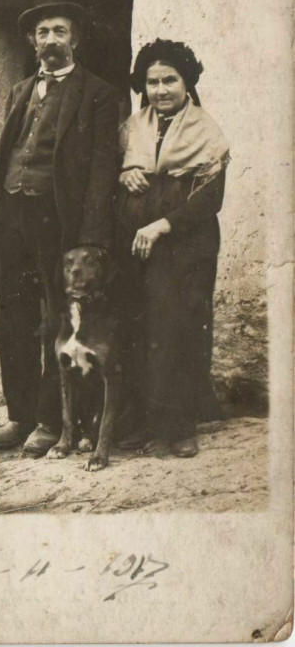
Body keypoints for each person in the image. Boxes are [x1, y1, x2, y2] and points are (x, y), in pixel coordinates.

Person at [0, 0, 120, 456]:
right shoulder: (20, 90)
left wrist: (92, 238)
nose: (51, 39)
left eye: (60, 30)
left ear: (74, 38)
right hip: (16, 215)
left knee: (58, 318)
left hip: (61, 222)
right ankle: (19, 416)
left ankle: (50, 420)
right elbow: (5, 157)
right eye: (42, 32)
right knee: (10, 317)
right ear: (32, 42)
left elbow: (102, 169)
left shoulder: (98, 94)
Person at [116, 39, 229, 458]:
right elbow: (117, 171)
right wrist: (125, 174)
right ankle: (144, 420)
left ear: (187, 83)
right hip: (137, 243)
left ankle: (179, 425)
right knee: (139, 326)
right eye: (152, 82)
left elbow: (209, 199)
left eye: (170, 80)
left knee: (177, 327)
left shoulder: (206, 131)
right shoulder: (131, 128)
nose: (161, 90)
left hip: (185, 243)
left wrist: (163, 225)